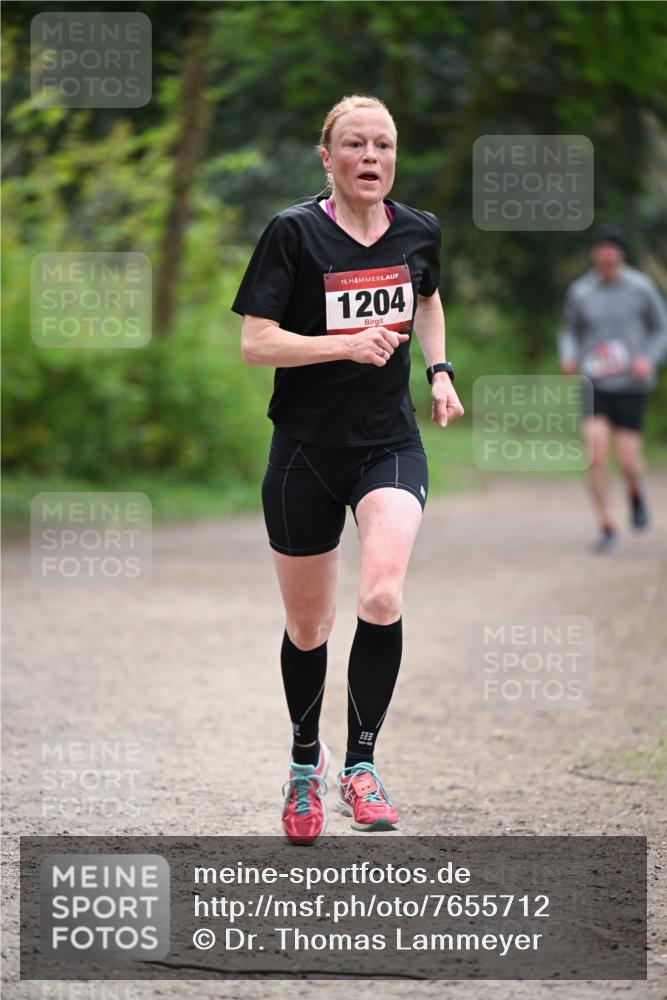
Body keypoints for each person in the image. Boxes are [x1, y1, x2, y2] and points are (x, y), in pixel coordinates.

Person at [231, 94, 463, 845]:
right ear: (326, 157)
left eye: (384, 145)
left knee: (383, 593)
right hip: (303, 449)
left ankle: (359, 768)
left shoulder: (418, 230)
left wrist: (438, 371)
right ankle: (306, 764)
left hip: (386, 444)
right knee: (308, 627)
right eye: (355, 144)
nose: (371, 156)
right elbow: (257, 343)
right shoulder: (292, 234)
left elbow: (427, 300)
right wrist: (343, 343)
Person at [559, 223, 667, 553]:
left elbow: (661, 328)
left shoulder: (641, 287)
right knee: (595, 454)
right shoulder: (581, 291)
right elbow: (568, 330)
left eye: (612, 248)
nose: (606, 254)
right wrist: (569, 355)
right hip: (596, 384)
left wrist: (649, 358)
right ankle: (606, 525)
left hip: (631, 383)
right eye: (601, 248)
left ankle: (636, 494)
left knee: (629, 461)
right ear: (595, 253)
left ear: (620, 253)